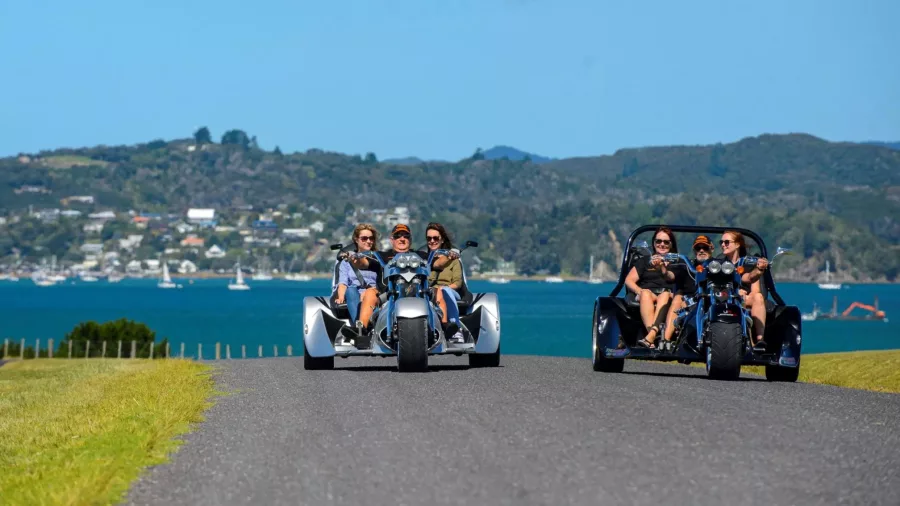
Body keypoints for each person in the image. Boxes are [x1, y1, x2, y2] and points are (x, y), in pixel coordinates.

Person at [624, 227, 678, 348]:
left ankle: (651, 337)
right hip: (649, 294)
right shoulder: (644, 261)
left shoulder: (678, 262)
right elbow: (629, 280)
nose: (661, 244)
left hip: (669, 295)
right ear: (653, 243)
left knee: (664, 295)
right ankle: (652, 336)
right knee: (645, 293)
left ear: (671, 244)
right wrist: (640, 291)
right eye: (658, 241)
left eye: (666, 242)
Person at [718, 230, 769, 350]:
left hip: (744, 299)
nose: (723, 245)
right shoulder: (719, 263)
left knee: (758, 297)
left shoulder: (747, 263)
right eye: (721, 242)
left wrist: (759, 270)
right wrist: (736, 292)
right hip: (724, 298)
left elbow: (750, 279)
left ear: (737, 244)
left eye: (726, 242)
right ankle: (748, 343)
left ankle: (760, 340)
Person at [661, 235, 713, 345]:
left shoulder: (718, 265)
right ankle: (665, 340)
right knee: (678, 299)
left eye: (705, 247)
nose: (702, 250)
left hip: (712, 300)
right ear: (694, 250)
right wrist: (664, 269)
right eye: (698, 248)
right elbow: (671, 276)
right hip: (690, 302)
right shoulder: (687, 266)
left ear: (711, 248)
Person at [333, 224, 382, 339]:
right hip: (354, 294)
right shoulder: (346, 262)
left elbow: (383, 283)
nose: (368, 241)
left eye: (371, 238)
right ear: (356, 239)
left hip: (374, 294)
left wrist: (368, 292)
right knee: (350, 290)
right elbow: (343, 283)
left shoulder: (379, 259)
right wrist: (340, 297)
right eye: (364, 238)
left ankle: (361, 330)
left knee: (370, 294)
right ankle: (358, 328)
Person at [423, 222, 464, 341]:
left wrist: (442, 288)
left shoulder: (453, 259)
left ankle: (456, 329)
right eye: (429, 238)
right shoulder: (423, 260)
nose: (432, 241)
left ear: (442, 240)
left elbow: (457, 283)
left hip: (449, 291)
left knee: (444, 290)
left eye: (435, 238)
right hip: (430, 291)